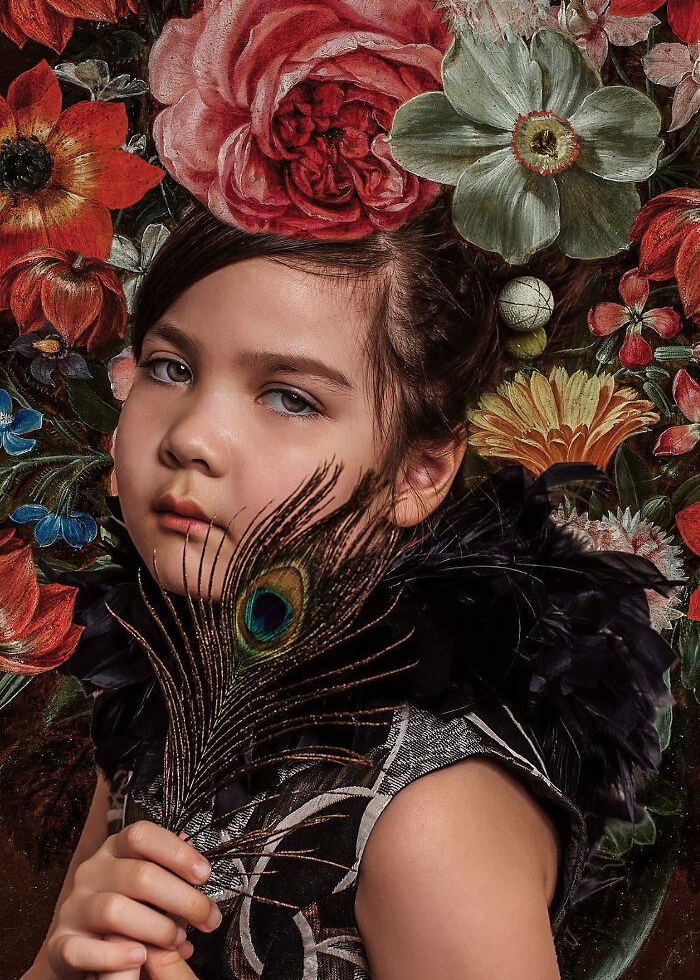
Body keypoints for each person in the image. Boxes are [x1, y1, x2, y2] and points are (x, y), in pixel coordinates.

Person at [24, 200, 676, 980]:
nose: (190, 435)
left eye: (290, 397)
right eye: (171, 367)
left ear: (416, 473)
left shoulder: (431, 819)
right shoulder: (162, 685)